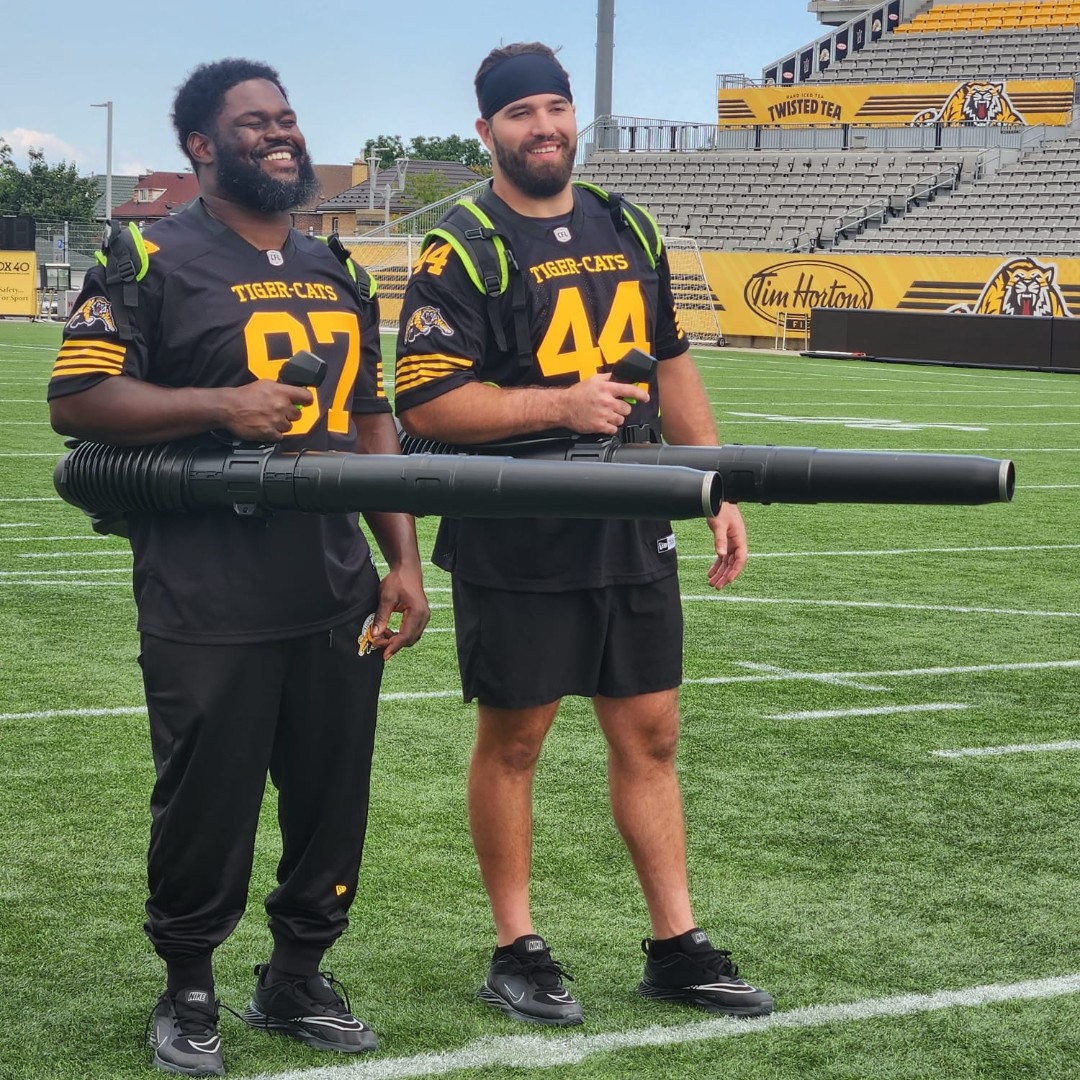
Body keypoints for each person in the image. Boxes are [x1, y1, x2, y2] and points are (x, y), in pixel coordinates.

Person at [48, 58, 429, 1076]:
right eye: (255, 122)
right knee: (206, 801)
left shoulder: (338, 268)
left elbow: (371, 422)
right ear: (201, 146)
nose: (280, 133)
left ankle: (296, 975)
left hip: (334, 583)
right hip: (206, 585)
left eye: (287, 118)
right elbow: (77, 401)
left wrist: (403, 559)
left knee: (331, 797)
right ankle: (188, 985)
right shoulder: (150, 256)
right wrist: (220, 405)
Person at [395, 42, 773, 1027]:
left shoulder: (626, 222)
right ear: (486, 132)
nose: (544, 127)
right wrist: (557, 407)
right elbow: (424, 404)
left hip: (630, 514)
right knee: (516, 737)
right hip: (517, 524)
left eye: (555, 108)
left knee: (651, 732)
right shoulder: (461, 245)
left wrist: (714, 484)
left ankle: (677, 945)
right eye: (520, 113)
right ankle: (515, 947)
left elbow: (672, 362)